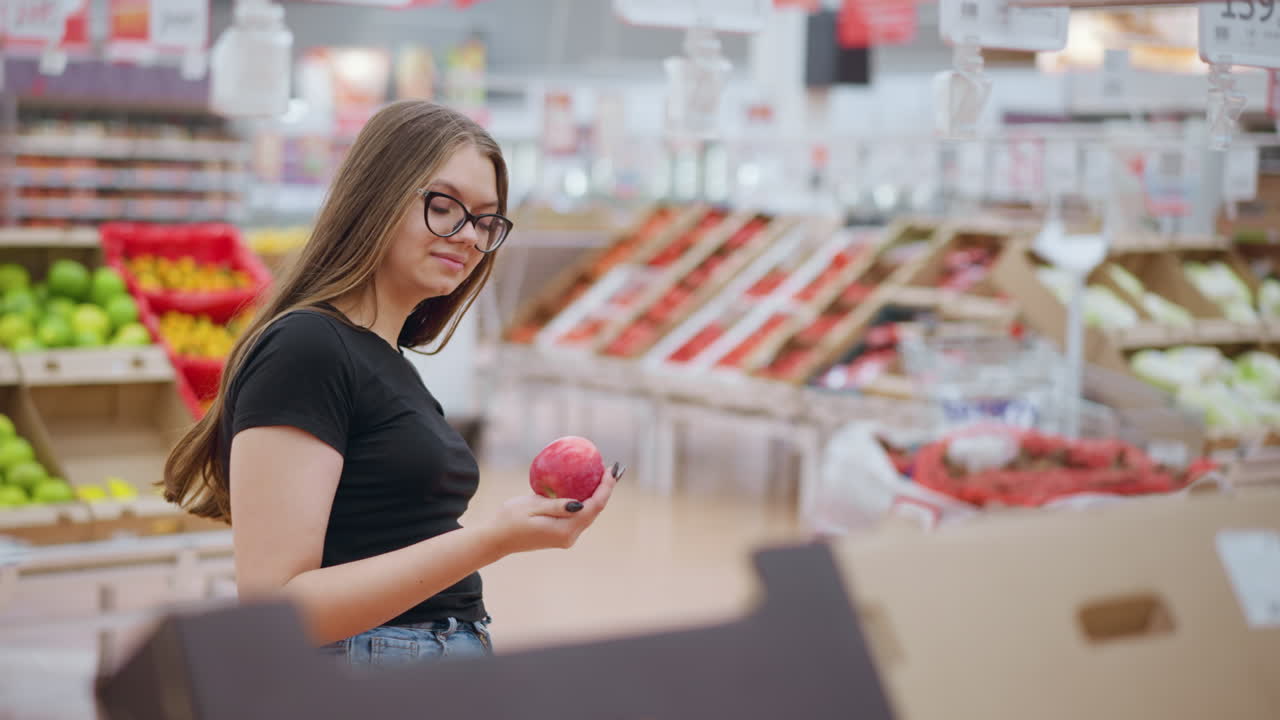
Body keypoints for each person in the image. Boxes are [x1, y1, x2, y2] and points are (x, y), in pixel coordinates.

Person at [162, 100, 621, 667]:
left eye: (484, 220)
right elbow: (276, 608)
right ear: (377, 195)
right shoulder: (306, 347)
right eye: (444, 206)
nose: (467, 236)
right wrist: (493, 538)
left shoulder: (385, 359)